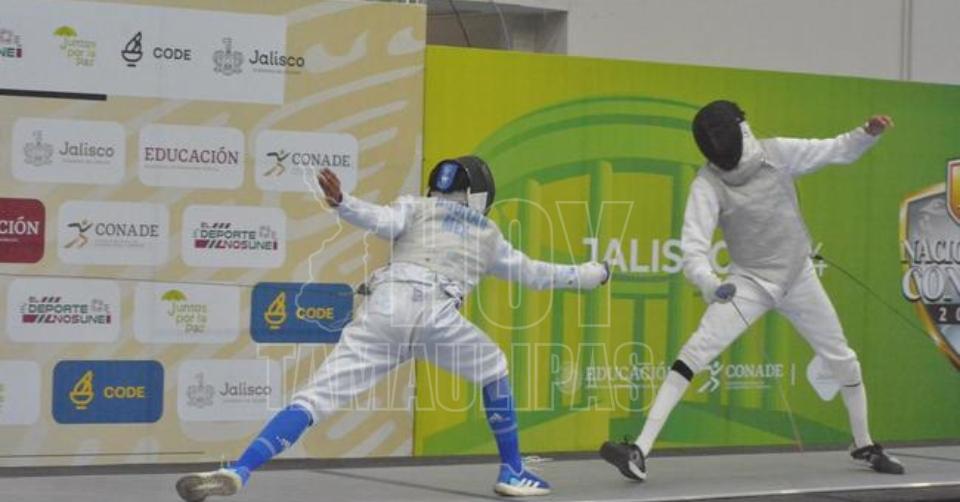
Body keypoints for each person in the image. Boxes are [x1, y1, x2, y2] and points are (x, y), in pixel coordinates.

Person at [176, 156, 610, 501]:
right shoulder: (488, 233)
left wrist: (343, 201)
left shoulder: (415, 207)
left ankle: (240, 469)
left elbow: (380, 220)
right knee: (493, 368)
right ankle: (512, 470)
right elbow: (539, 274)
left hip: (385, 308)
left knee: (314, 398)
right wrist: (595, 274)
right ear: (480, 195)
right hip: (435, 313)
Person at [599, 100, 904, 481]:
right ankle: (640, 450)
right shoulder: (707, 185)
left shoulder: (778, 154)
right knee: (695, 351)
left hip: (798, 277)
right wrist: (711, 284)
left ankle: (863, 443)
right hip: (749, 282)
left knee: (843, 359)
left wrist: (865, 134)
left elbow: (834, 149)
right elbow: (692, 249)